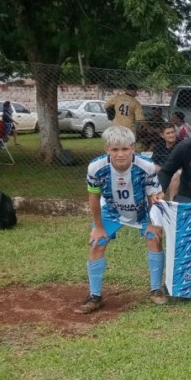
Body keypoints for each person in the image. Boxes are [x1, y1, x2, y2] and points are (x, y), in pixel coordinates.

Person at [75, 126, 165, 314]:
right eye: (115, 150)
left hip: (141, 212)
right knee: (97, 244)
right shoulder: (96, 167)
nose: (120, 154)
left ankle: (156, 289)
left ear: (132, 148)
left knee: (154, 239)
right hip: (111, 212)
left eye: (125, 149)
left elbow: (152, 197)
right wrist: (98, 227)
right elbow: (93, 197)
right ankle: (95, 296)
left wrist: (152, 223)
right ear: (107, 149)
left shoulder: (146, 166)